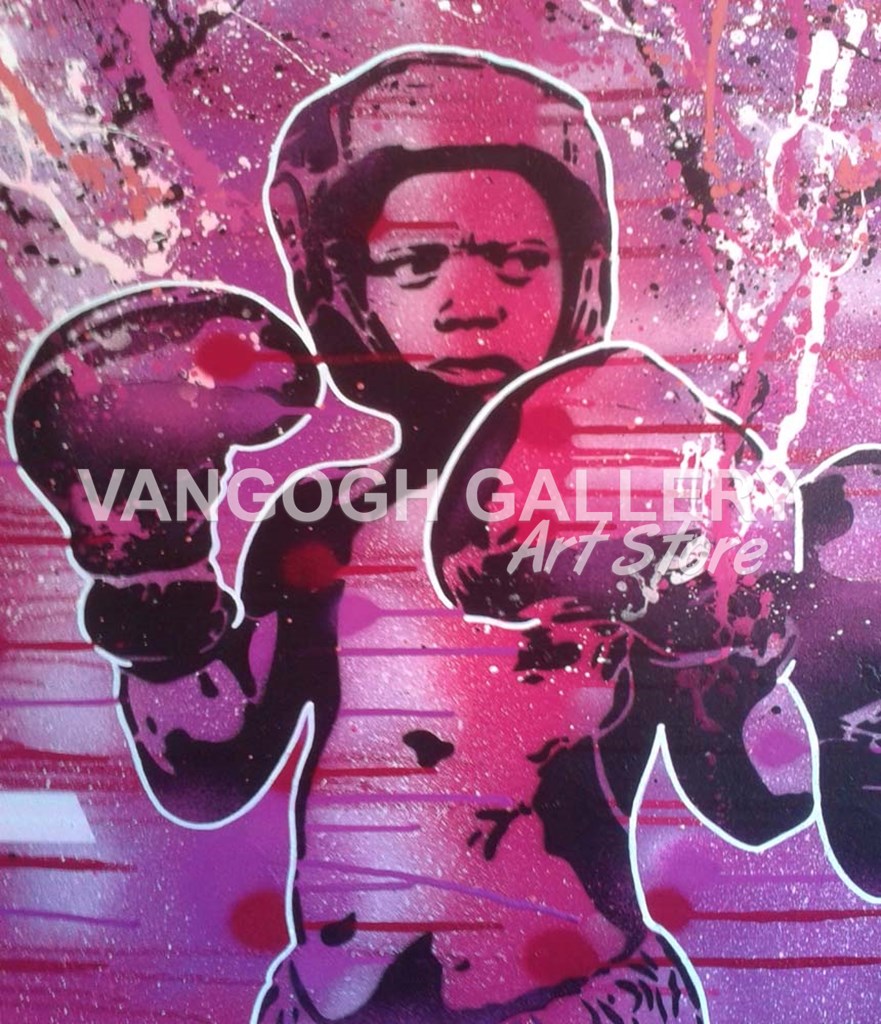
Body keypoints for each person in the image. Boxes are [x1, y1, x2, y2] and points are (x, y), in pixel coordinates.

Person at [15, 46, 868, 1024]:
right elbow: (206, 773)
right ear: (343, 288)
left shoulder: (640, 500)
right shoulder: (321, 521)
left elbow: (754, 800)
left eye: (517, 260)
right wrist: (151, 572)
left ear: (581, 278)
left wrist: (726, 640)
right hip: (329, 1002)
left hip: (571, 993)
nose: (470, 299)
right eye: (414, 262)